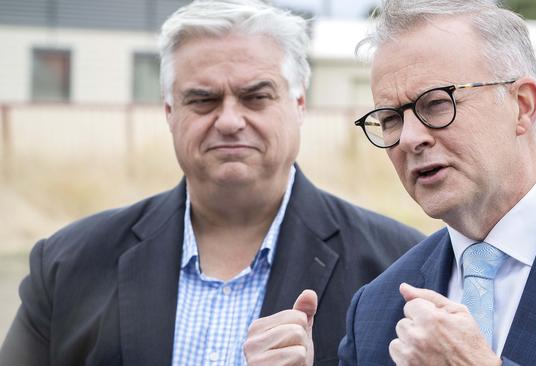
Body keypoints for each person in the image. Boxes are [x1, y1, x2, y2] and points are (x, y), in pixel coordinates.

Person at [0, 1, 424, 365]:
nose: (229, 120)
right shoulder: (67, 266)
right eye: (203, 99)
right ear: (169, 111)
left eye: (255, 97)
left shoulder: (396, 270)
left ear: (298, 105)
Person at [336, 0, 536, 365]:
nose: (409, 138)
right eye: (390, 118)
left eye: (436, 104)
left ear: (522, 105)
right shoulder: (376, 311)